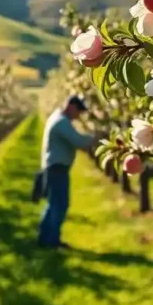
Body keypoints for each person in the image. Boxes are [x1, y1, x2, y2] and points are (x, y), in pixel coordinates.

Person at [38, 95, 94, 249]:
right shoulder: (61, 122)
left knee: (53, 204)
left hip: (54, 167)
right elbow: (78, 141)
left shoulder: (58, 118)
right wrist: (96, 138)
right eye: (79, 111)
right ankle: (52, 241)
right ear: (71, 106)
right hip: (57, 168)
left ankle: (45, 238)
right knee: (60, 205)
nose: (79, 115)